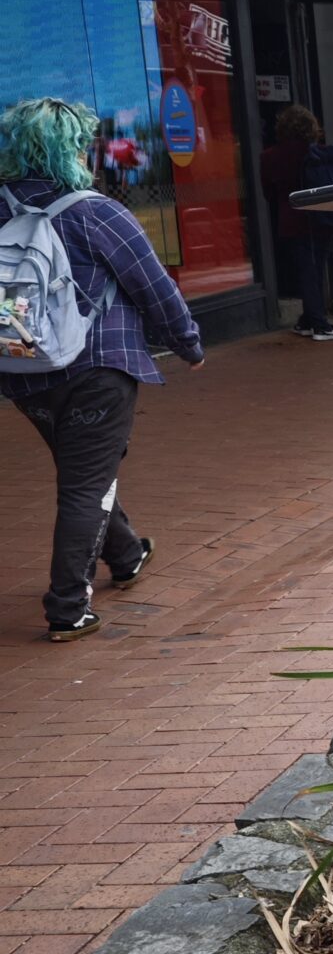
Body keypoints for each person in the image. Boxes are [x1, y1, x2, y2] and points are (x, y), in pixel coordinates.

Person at [0, 96, 204, 642]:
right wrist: (187, 344)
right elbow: (153, 286)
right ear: (70, 148)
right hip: (97, 369)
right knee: (85, 485)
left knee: (84, 472)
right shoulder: (95, 212)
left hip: (24, 370)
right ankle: (68, 607)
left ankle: (127, 554)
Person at [260, 105, 333, 340]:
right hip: (320, 218)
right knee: (314, 271)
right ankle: (319, 324)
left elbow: (269, 192)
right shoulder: (319, 154)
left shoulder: (269, 156)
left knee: (306, 270)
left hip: (290, 220)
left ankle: (308, 320)